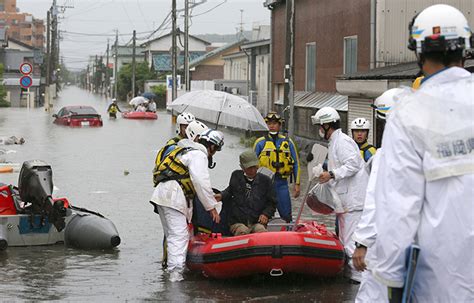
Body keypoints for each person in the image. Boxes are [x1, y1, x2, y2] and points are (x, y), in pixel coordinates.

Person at [372, 5, 473, 302]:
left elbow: (399, 208)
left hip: (442, 278)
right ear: (465, 49)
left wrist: (390, 280)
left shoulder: (409, 113)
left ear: (418, 51)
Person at [351, 88, 407, 303]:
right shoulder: (423, 151)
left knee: (372, 293)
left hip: (386, 239)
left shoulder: (384, 155)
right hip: (416, 242)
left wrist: (362, 242)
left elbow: (374, 201)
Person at [150, 128, 224, 282]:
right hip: (173, 196)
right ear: (211, 146)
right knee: (179, 236)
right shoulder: (199, 155)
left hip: (162, 195)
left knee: (172, 236)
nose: (213, 154)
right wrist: (211, 207)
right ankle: (175, 277)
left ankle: (170, 271)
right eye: (215, 150)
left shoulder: (185, 150)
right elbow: (201, 182)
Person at [311, 106, 368, 283]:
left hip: (353, 202)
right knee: (346, 241)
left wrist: (332, 174)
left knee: (352, 244)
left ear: (327, 125)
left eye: (320, 126)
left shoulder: (342, 141)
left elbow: (354, 164)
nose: (319, 130)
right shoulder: (335, 142)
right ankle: (352, 277)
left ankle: (358, 280)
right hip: (345, 202)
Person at [215, 150, 277, 236]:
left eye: (254, 167)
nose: (252, 170)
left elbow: (272, 203)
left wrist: (265, 214)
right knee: (242, 231)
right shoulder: (236, 176)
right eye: (249, 168)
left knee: (261, 231)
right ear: (242, 167)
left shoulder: (266, 181)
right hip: (237, 222)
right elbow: (230, 191)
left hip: (256, 222)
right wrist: (221, 195)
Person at [253, 112, 300, 223]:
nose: (272, 126)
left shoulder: (288, 142)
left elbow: (296, 163)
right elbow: (251, 165)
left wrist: (297, 184)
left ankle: (288, 234)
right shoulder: (260, 143)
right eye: (269, 123)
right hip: (263, 184)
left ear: (279, 125)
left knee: (286, 215)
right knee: (261, 215)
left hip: (281, 183)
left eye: (274, 123)